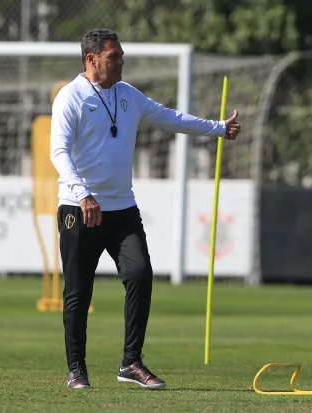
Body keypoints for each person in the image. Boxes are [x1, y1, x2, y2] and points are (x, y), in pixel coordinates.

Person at [50, 28, 241, 390]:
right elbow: (58, 152)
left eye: (121, 55)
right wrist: (83, 193)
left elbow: (171, 117)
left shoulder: (129, 95)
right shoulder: (69, 97)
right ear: (92, 60)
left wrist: (217, 128)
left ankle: (131, 363)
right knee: (78, 292)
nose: (121, 62)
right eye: (113, 57)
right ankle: (76, 369)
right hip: (80, 207)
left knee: (140, 275)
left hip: (122, 208)